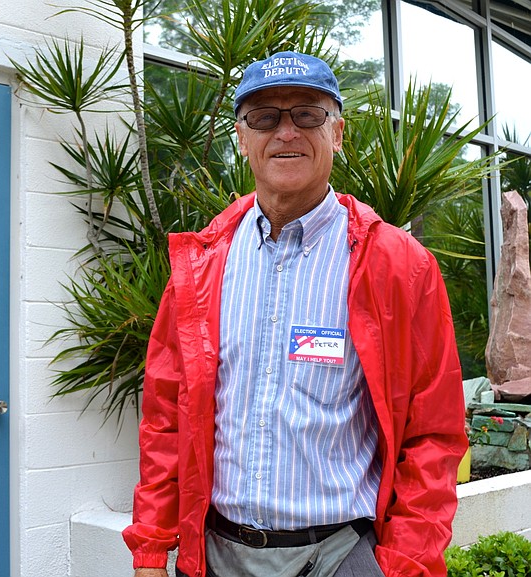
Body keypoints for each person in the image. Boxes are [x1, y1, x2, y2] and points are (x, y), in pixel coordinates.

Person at [122, 51, 468, 577]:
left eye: (307, 114)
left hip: (340, 556)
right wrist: (150, 548)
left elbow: (433, 435)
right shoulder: (203, 265)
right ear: (242, 138)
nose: (286, 132)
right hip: (217, 554)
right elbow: (166, 418)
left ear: (338, 133)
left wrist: (406, 564)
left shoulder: (397, 265)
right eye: (264, 118)